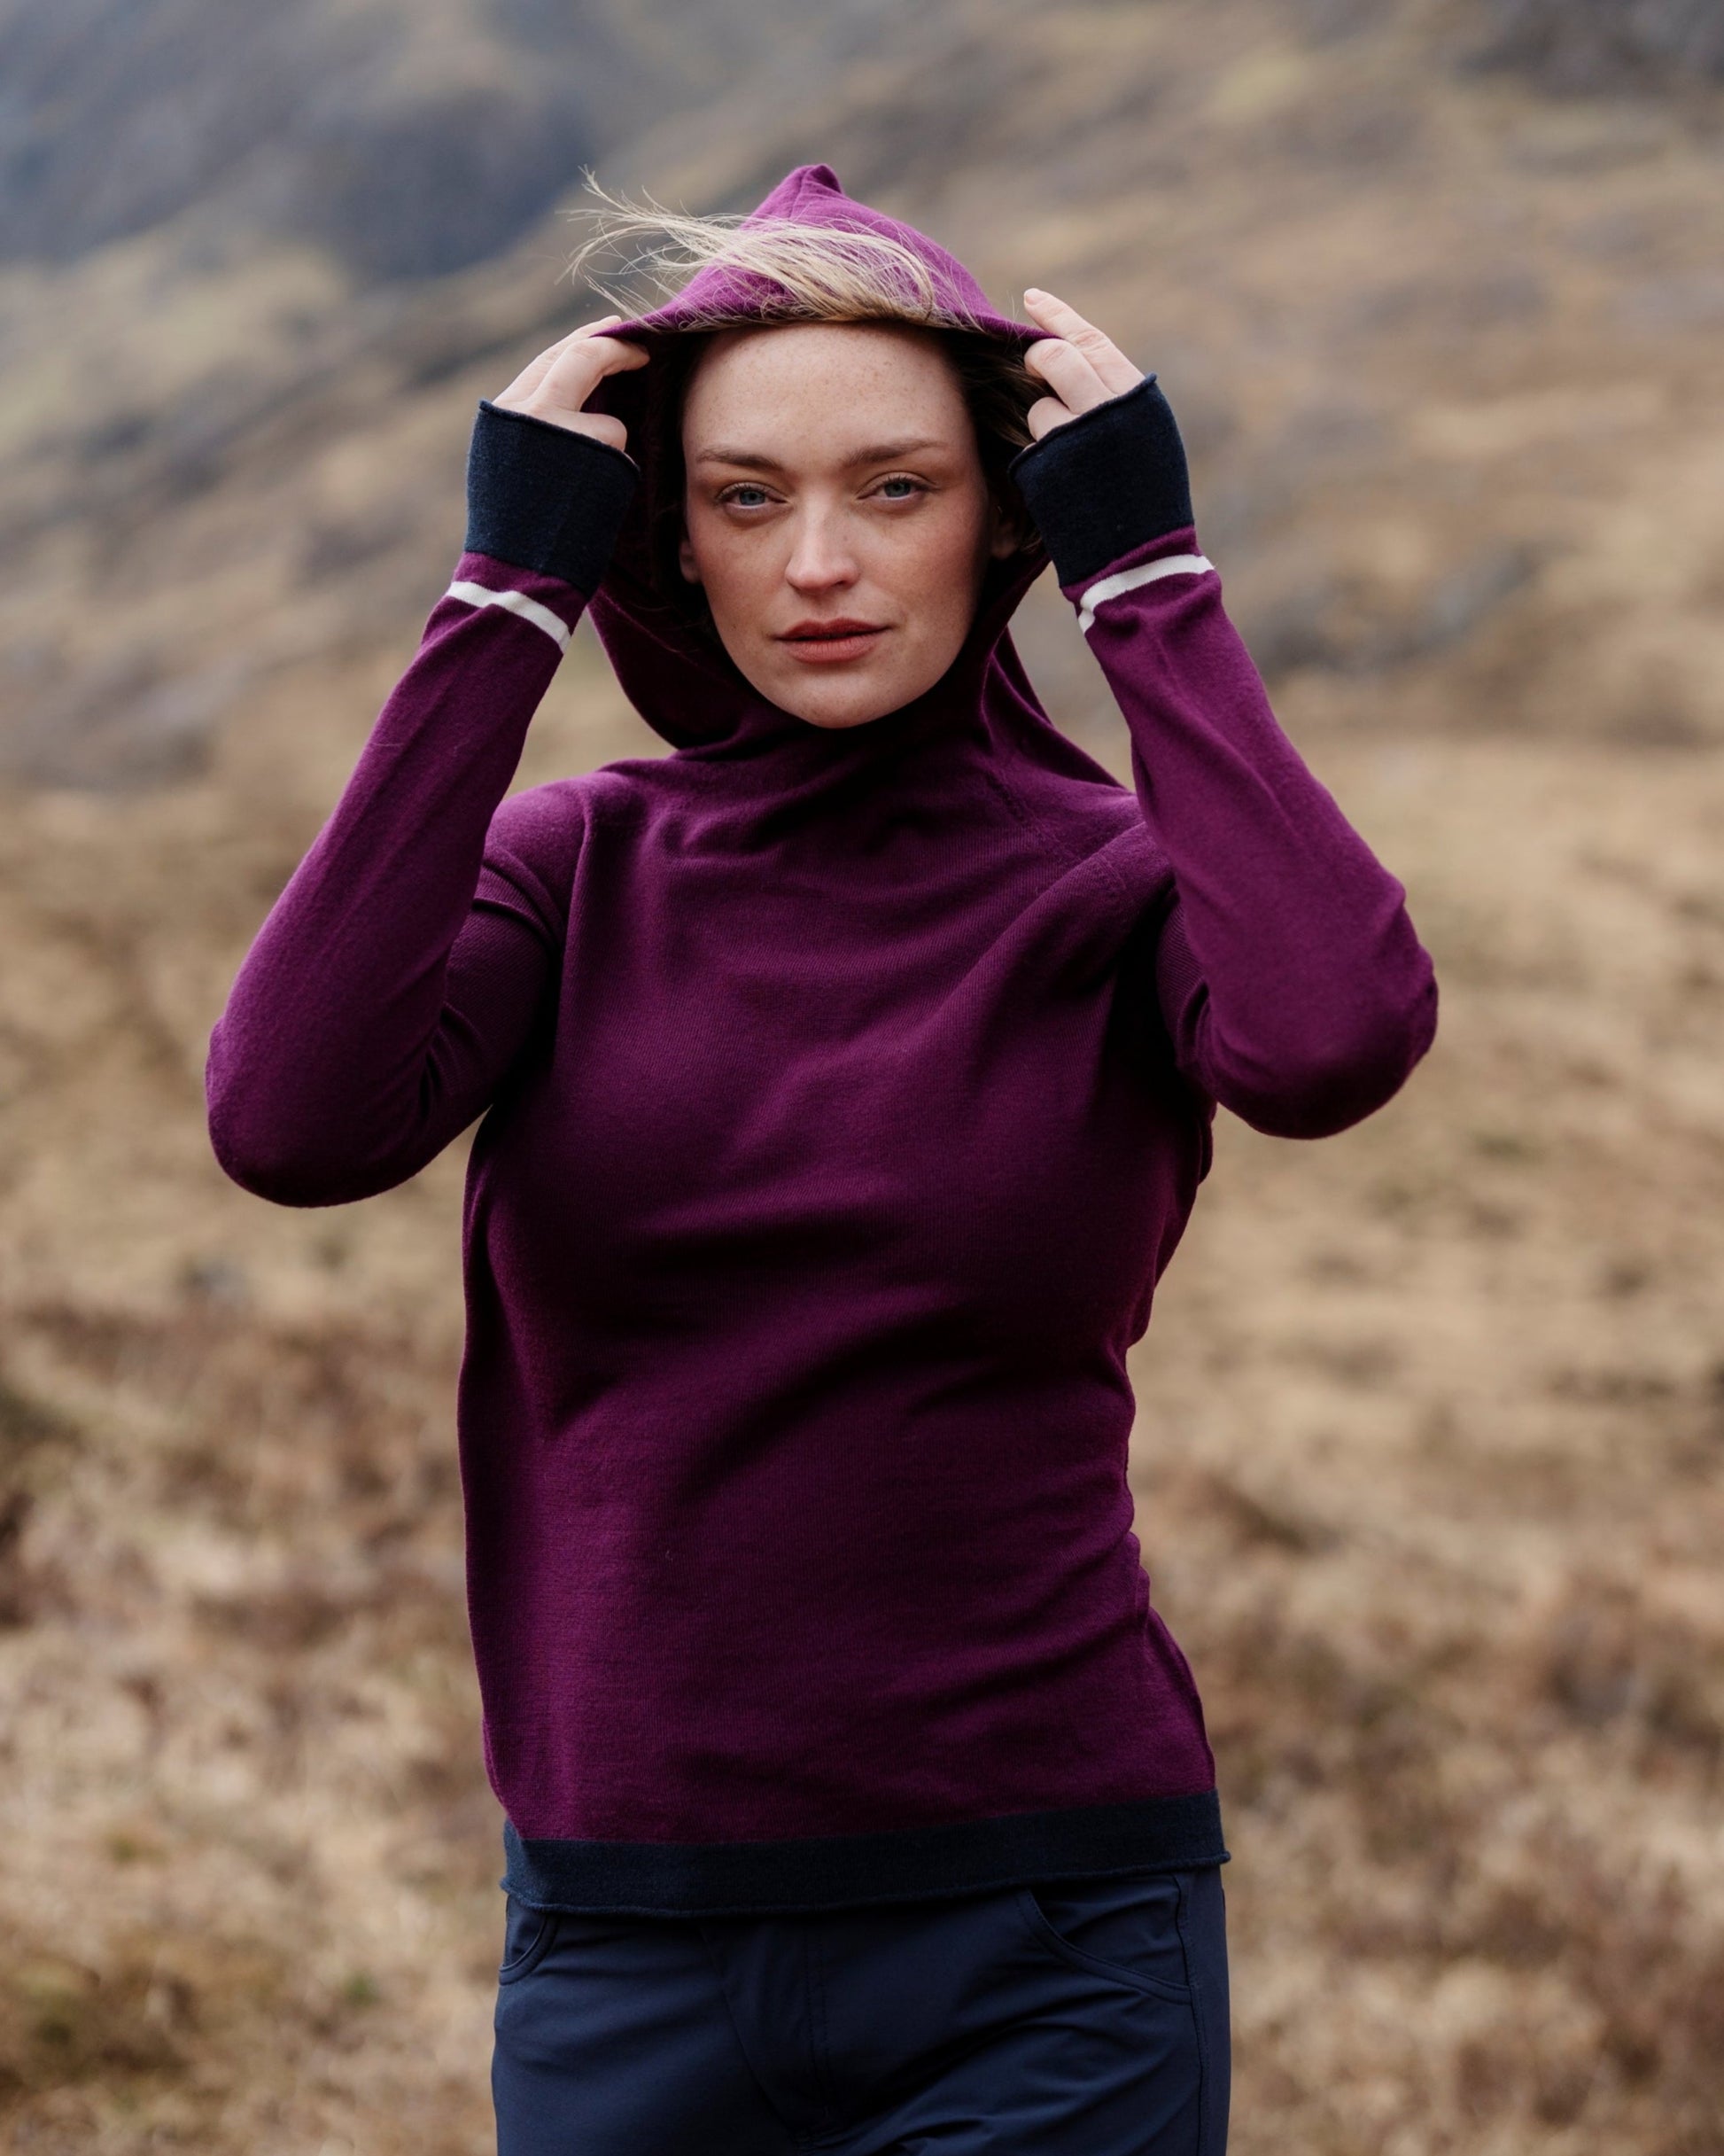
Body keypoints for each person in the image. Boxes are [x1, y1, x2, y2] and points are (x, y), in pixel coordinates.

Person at [206, 164, 1437, 2155]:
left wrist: (1156, 591)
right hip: (629, 1941)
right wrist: (497, 602)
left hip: (1051, 1939)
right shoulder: (573, 863)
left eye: (895, 487)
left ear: (1003, 518)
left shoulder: (1113, 892)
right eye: (744, 497)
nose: (819, 564)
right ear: (664, 536)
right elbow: (284, 1121)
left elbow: (1332, 1040)